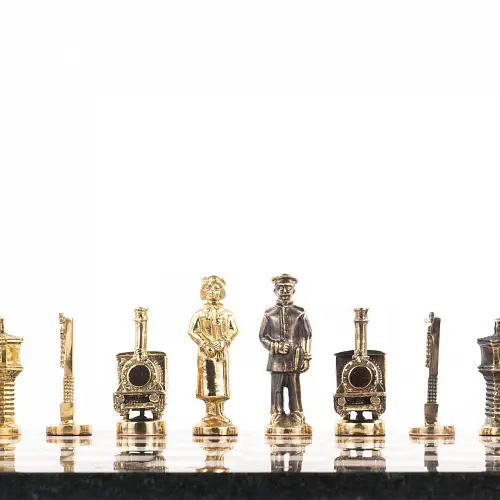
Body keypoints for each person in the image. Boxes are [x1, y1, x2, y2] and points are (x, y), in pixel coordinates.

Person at [259, 274, 312, 427]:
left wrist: (306, 357)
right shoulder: (269, 314)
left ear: (293, 290)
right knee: (277, 388)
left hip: (294, 358)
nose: (284, 291)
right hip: (276, 359)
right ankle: (277, 412)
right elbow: (262, 337)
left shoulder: (299, 313)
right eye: (280, 288)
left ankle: (296, 412)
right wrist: (276, 346)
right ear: (275, 290)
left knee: (294, 387)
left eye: (288, 288)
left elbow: (307, 335)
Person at [188, 276, 238, 429]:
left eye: (216, 289)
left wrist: (224, 341)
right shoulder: (199, 314)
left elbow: (234, 329)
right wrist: (203, 344)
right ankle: (210, 413)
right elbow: (192, 331)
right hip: (206, 354)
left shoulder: (227, 314)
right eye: (209, 288)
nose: (212, 292)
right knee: (208, 382)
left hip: (221, 353)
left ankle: (220, 412)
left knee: (220, 381)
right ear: (203, 291)